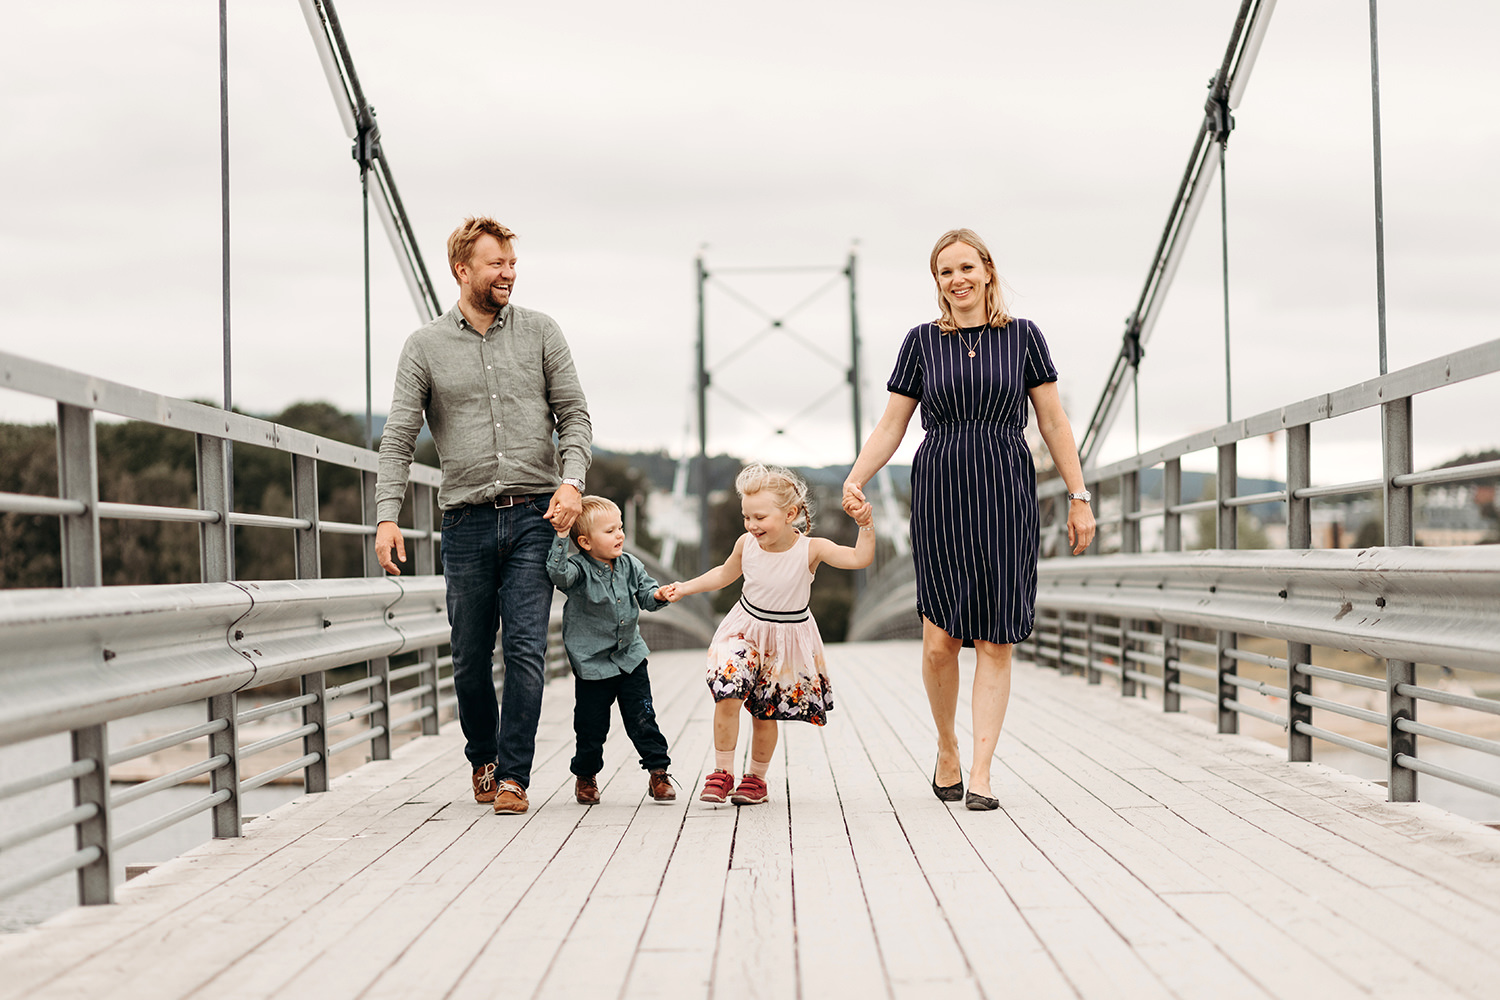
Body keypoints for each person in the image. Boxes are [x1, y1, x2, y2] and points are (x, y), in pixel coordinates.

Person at [841, 228, 1095, 811]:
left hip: (1006, 491)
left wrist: (1078, 495)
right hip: (941, 493)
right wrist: (855, 478)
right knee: (940, 641)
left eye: (965, 268)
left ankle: (981, 773)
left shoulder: (1024, 337)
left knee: (995, 638)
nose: (957, 280)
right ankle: (947, 747)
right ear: (937, 282)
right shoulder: (921, 342)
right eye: (944, 272)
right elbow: (892, 425)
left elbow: (1053, 422)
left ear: (987, 271)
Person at [374, 217, 592, 816]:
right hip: (465, 523)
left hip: (535, 518)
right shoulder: (424, 347)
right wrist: (387, 516)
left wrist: (572, 482)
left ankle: (515, 776)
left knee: (525, 648)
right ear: (461, 269)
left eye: (512, 263)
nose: (508, 273)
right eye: (496, 263)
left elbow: (574, 416)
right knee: (469, 657)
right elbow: (398, 437)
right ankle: (484, 759)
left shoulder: (542, 331)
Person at [661, 464, 874, 806]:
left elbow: (860, 558)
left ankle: (755, 780)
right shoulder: (746, 544)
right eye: (746, 517)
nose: (751, 524)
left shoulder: (812, 549)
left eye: (760, 517)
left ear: (790, 514)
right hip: (744, 629)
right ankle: (722, 772)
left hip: (786, 640)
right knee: (728, 691)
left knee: (765, 713)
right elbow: (724, 574)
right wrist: (685, 588)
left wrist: (865, 524)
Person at [546, 494, 677, 805]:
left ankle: (659, 772)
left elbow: (645, 594)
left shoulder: (630, 564)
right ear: (585, 542)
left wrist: (658, 595)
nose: (620, 535)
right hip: (592, 664)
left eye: (620, 528)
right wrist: (561, 536)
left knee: (643, 717)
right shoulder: (578, 569)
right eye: (610, 531)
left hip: (630, 657)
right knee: (591, 726)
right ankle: (586, 776)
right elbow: (557, 574)